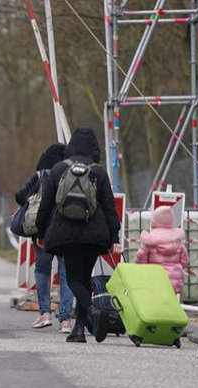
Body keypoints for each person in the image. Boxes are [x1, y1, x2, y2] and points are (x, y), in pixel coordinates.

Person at [36, 127, 122, 343]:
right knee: (84, 278)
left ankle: (93, 313)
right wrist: (115, 237)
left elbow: (45, 205)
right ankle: (79, 330)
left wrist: (40, 232)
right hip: (95, 235)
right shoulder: (99, 172)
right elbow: (110, 207)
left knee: (74, 279)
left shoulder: (58, 169)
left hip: (67, 233)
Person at [15, 143, 74, 333]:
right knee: (66, 275)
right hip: (66, 232)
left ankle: (45, 314)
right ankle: (65, 320)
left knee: (42, 270)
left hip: (43, 233)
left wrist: (30, 200)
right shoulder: (71, 174)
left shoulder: (40, 176)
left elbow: (19, 195)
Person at [135, 206, 189, 295]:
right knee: (170, 301)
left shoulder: (149, 240)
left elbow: (140, 260)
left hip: (154, 278)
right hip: (174, 280)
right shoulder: (177, 240)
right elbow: (185, 261)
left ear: (154, 222)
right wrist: (175, 269)